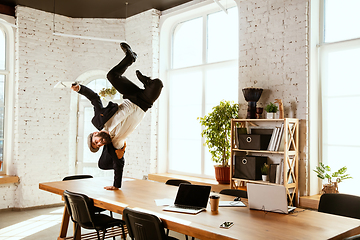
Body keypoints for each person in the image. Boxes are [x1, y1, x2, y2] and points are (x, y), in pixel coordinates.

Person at [71, 43, 163, 190]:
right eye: (98, 145)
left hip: (131, 96)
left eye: (96, 141)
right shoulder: (116, 144)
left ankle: (130, 58)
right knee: (158, 84)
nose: (100, 143)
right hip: (144, 102)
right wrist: (116, 186)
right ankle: (147, 82)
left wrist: (80, 89)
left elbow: (95, 98)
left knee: (111, 76)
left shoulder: (99, 120)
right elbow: (117, 164)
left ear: (95, 134)